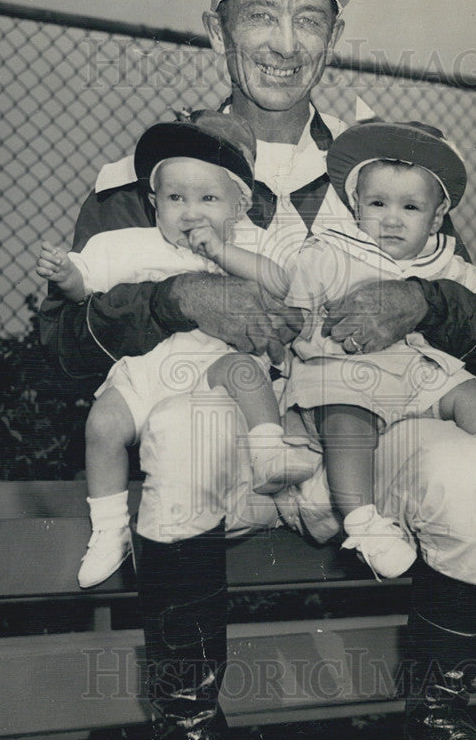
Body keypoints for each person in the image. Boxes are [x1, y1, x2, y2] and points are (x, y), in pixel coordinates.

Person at [39, 0, 476, 740]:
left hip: (362, 437)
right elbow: (61, 341)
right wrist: (180, 297)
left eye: (309, 18)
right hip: (234, 443)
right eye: (259, 14)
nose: (283, 41)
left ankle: (438, 721)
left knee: (471, 480)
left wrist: (422, 306)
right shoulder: (149, 168)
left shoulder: (382, 165)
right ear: (216, 30)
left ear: (334, 38)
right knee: (183, 436)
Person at [281, 118, 476, 579]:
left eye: (411, 207)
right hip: (346, 369)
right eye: (378, 203)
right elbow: (292, 304)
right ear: (356, 206)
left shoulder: (436, 259)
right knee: (346, 428)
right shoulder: (332, 249)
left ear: (436, 218)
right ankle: (364, 523)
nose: (392, 218)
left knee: (462, 390)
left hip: (411, 373)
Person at [36, 111, 318, 588]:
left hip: (215, 368)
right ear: (154, 203)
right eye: (175, 199)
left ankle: (270, 453)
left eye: (208, 198)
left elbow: (284, 284)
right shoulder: (127, 243)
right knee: (102, 424)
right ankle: (109, 529)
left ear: (241, 203)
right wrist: (65, 274)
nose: (190, 212)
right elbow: (84, 283)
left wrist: (220, 254)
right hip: (146, 372)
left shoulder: (253, 244)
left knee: (243, 373)